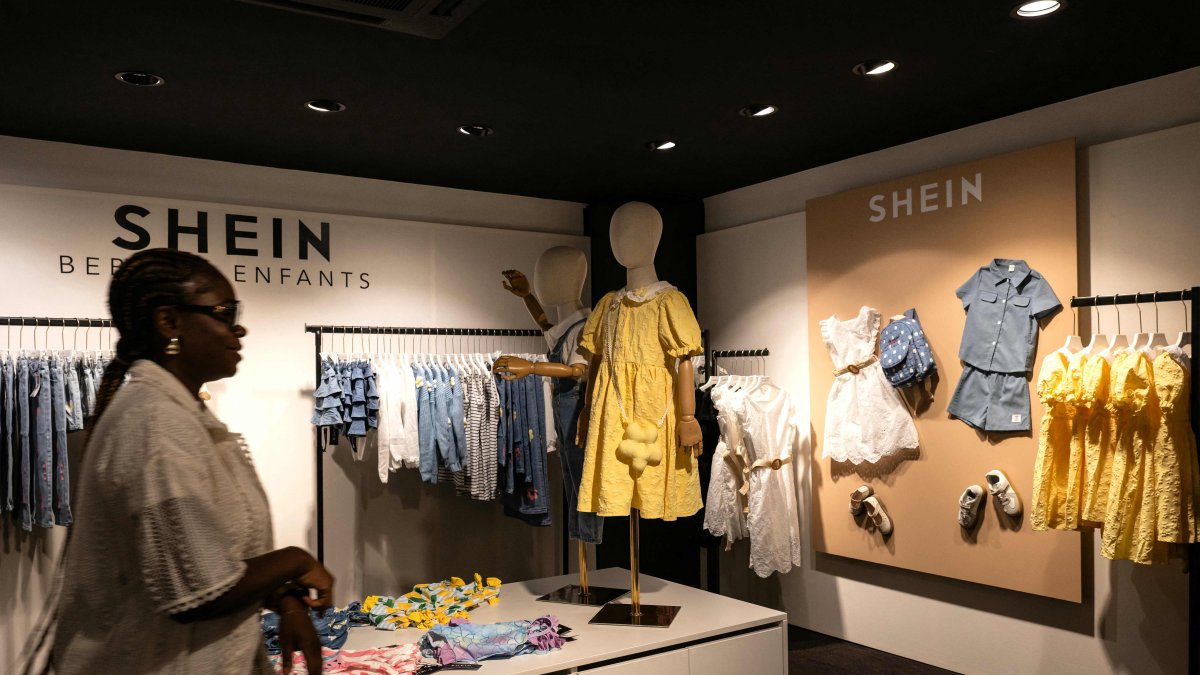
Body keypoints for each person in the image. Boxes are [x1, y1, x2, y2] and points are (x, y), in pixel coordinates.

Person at [47, 248, 333, 674]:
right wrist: (296, 560)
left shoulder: (180, 414)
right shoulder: (154, 422)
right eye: (225, 312)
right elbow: (197, 589)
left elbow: (209, 560)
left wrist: (283, 597)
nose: (240, 327)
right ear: (170, 322)